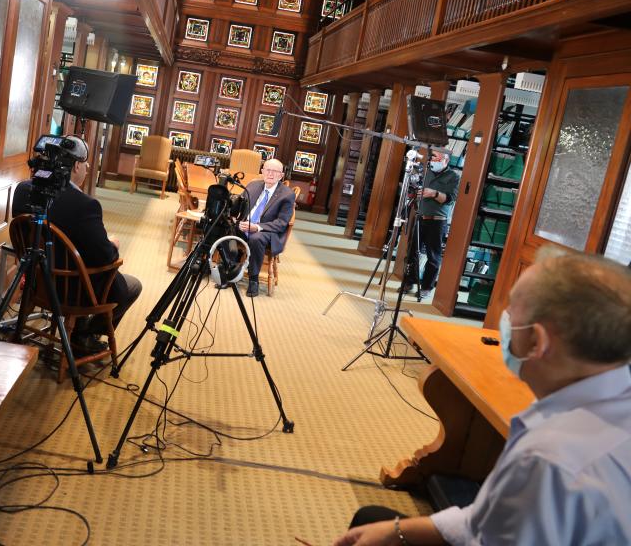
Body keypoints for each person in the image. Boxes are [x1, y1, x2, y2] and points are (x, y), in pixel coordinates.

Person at [332, 252, 631, 546]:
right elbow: (489, 518)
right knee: (373, 521)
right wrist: (397, 531)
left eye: (512, 310)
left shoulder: (547, 461)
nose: (505, 320)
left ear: (537, 341)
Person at [12, 135, 142, 354]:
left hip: (36, 282)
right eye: (86, 163)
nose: (89, 167)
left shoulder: (23, 190)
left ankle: (79, 331)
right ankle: (84, 337)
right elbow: (105, 257)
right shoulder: (85, 205)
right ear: (76, 166)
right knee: (132, 286)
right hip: (71, 291)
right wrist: (113, 244)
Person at [403, 149, 460, 299]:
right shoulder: (426, 172)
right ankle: (409, 282)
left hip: (438, 222)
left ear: (445, 160)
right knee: (412, 252)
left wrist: (433, 193)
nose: (432, 161)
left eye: (435, 158)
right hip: (421, 217)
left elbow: (450, 199)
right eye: (431, 158)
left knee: (433, 256)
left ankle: (427, 287)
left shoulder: (453, 177)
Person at [235, 158, 296, 297]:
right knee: (225, 227)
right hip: (246, 225)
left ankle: (253, 279)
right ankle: (231, 268)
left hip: (267, 231)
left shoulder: (287, 194)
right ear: (262, 172)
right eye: (268, 170)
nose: (271, 174)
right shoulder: (252, 185)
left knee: (256, 238)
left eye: (275, 171)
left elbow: (281, 223)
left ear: (281, 176)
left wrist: (257, 227)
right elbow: (239, 205)